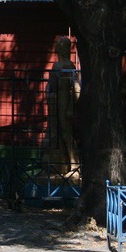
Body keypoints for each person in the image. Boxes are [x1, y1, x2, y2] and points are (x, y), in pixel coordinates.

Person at [48, 36, 80, 172]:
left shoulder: (68, 66)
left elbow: (76, 88)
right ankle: (62, 165)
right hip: (55, 101)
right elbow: (51, 84)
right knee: (57, 133)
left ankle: (75, 164)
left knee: (66, 133)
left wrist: (71, 107)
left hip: (64, 99)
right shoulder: (56, 65)